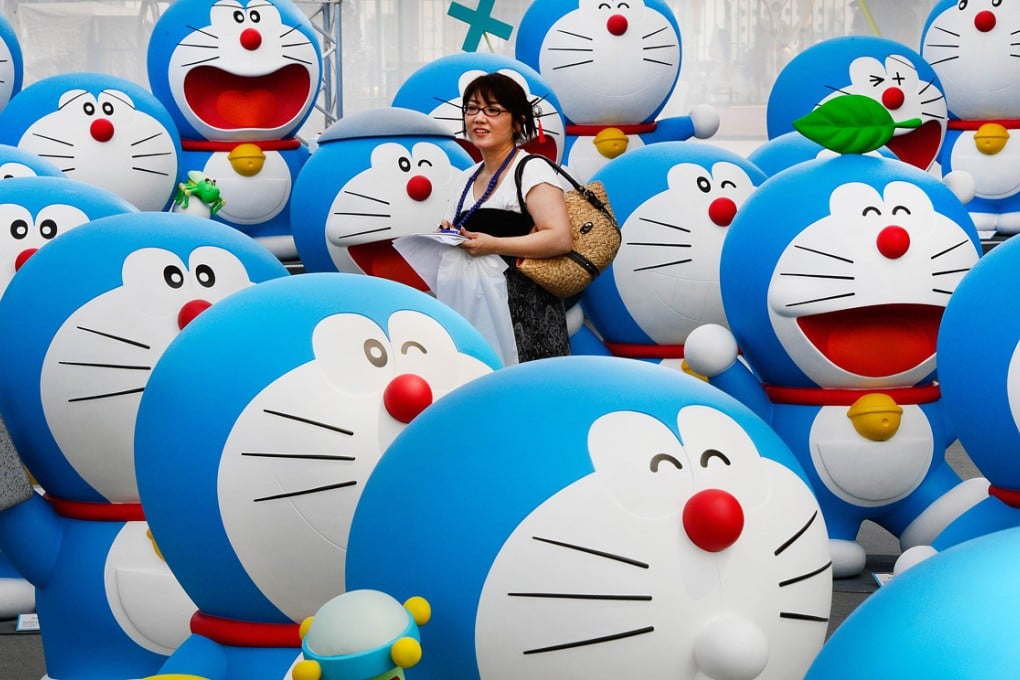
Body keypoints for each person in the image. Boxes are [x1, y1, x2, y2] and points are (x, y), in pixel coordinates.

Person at [438, 72, 573, 363]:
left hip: (523, 315)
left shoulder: (532, 169)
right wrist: (450, 233)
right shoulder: (465, 178)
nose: (479, 118)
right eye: (472, 109)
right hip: (470, 306)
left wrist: (494, 244)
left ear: (518, 122)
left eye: (493, 110)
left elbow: (560, 238)